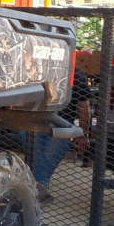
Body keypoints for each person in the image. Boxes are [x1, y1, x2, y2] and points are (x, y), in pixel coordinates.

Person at [34, 73, 93, 203]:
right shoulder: (39, 71)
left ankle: (37, 185)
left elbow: (85, 108)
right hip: (35, 123)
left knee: (48, 153)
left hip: (61, 125)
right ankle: (40, 186)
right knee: (34, 148)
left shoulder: (77, 75)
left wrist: (82, 135)